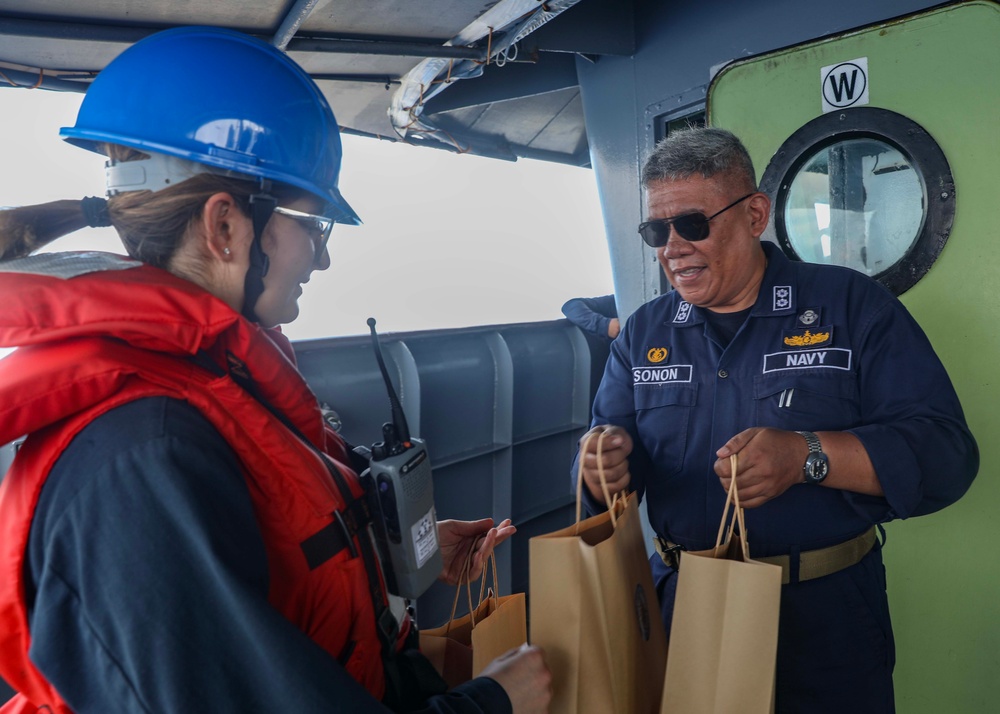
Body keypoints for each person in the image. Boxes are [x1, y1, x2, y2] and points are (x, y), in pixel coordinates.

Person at [0, 27, 550, 714]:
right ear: (226, 227)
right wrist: (494, 703)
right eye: (313, 225)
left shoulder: (216, 379)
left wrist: (401, 556)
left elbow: (271, 571)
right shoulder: (141, 455)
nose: (320, 259)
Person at [573, 127, 977, 713]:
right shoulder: (642, 335)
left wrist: (808, 456)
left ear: (755, 213)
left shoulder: (853, 306)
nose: (672, 248)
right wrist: (601, 464)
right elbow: (612, 459)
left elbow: (945, 455)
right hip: (688, 609)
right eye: (656, 231)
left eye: (692, 224)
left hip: (824, 619)